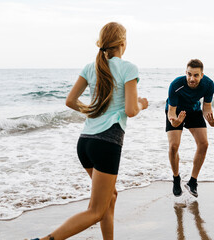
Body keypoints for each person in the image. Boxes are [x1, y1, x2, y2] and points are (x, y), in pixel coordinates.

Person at [31, 22, 148, 240]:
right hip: (106, 143)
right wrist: (142, 103)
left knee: (110, 197)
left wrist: (93, 110)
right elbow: (131, 110)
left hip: (85, 142)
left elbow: (70, 101)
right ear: (123, 43)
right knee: (96, 211)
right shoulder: (128, 68)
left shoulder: (90, 67)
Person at [165, 59, 214, 198]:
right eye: (189, 74)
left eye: (196, 75)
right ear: (186, 72)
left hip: (194, 111)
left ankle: (193, 182)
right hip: (176, 112)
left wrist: (210, 121)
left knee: (204, 144)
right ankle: (176, 178)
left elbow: (207, 107)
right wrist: (174, 121)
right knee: (174, 146)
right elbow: (171, 111)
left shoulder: (208, 84)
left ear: (202, 75)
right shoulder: (176, 85)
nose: (191, 78)